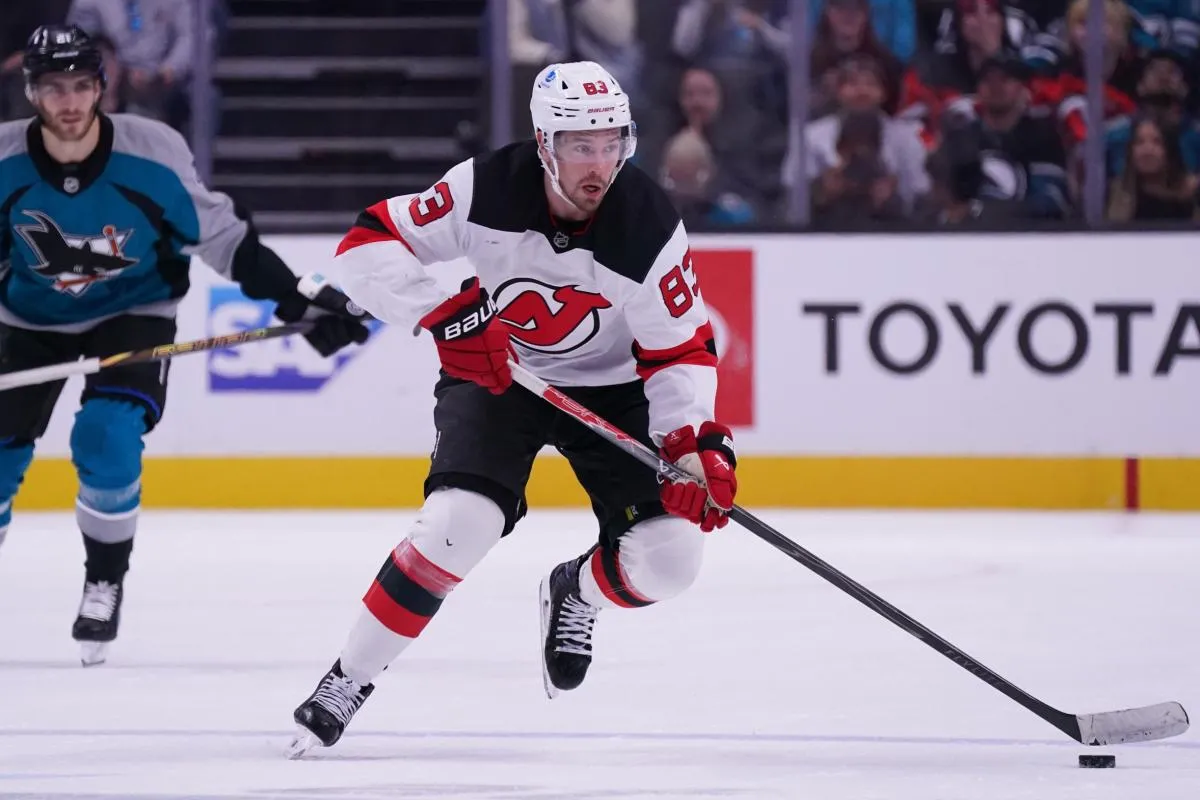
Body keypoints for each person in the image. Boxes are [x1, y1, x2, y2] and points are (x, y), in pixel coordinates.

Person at [287, 60, 738, 757]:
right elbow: (366, 243)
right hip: (501, 372)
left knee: (672, 561)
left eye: (612, 142)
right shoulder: (485, 187)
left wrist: (691, 448)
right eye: (580, 145)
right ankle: (348, 678)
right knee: (457, 524)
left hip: (615, 390)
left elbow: (679, 351)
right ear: (543, 144)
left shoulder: (647, 224)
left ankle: (577, 592)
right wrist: (448, 315)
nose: (599, 163)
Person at [0, 26, 369, 666]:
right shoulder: (4, 161)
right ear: (31, 91)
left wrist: (299, 299)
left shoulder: (153, 152)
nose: (68, 101)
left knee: (107, 437)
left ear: (101, 87)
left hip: (133, 312)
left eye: (81, 85)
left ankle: (104, 581)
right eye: (53, 87)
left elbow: (226, 240)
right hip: (28, 322)